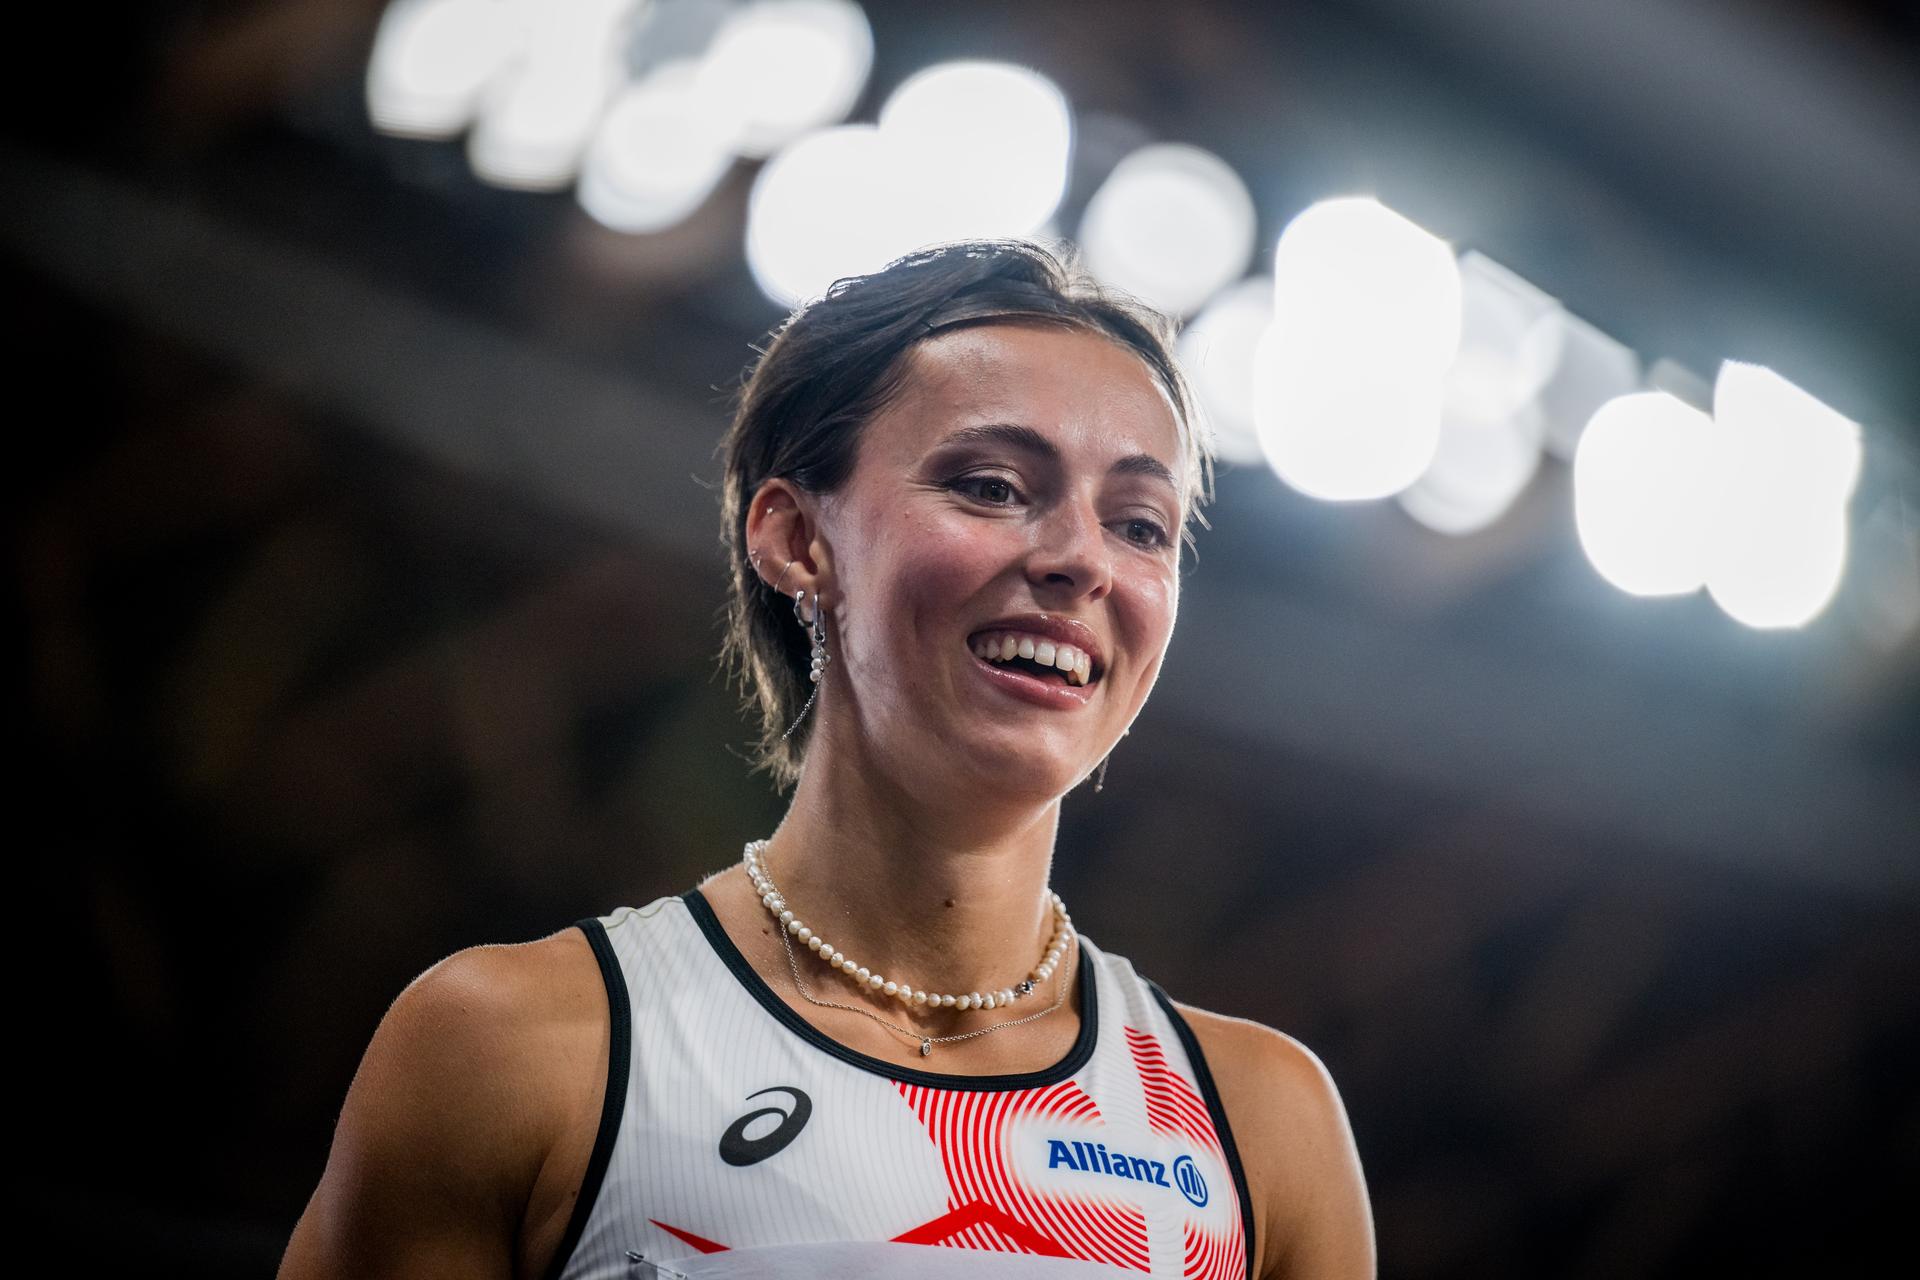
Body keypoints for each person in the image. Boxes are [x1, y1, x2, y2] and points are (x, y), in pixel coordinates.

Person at [278, 239, 1374, 1279]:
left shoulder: (1262, 1127)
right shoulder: (518, 1048)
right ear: (798, 538)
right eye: (993, 485)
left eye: (1141, 522)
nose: (1081, 559)